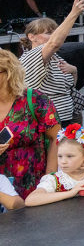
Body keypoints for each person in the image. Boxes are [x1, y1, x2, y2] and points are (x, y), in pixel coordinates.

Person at [20, 0, 84, 126]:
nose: (53, 36)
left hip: (66, 118)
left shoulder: (55, 58)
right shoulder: (31, 57)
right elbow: (54, 44)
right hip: (47, 121)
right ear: (31, 37)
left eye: (55, 32)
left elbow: (69, 88)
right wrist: (74, 13)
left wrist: (74, 71)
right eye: (48, 33)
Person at [0, 49, 59, 198]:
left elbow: (56, 139)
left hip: (33, 187)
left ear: (8, 73)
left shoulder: (35, 100)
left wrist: (50, 182)